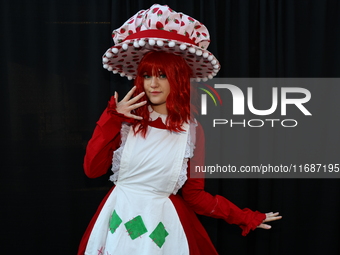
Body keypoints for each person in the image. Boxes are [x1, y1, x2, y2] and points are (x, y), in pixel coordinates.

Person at [78, 4, 281, 255]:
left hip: (162, 228)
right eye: (146, 75)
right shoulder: (124, 120)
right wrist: (112, 118)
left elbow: (195, 195)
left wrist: (243, 217)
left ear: (178, 79)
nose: (152, 84)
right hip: (117, 220)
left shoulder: (192, 132)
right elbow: (92, 169)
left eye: (162, 75)